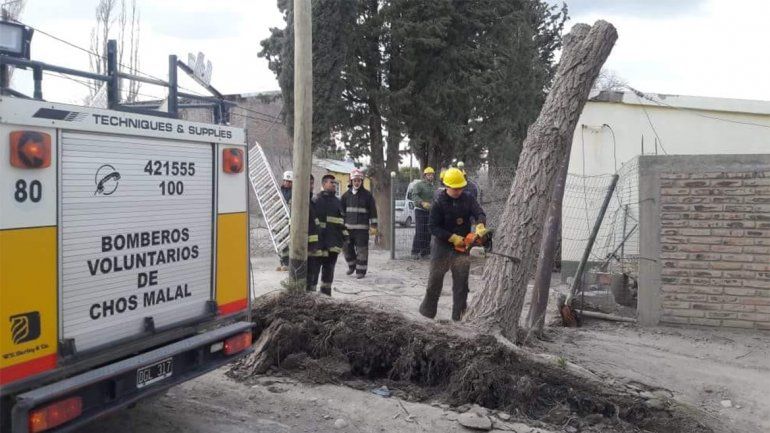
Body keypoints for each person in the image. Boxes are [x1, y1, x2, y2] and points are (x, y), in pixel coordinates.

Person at [419, 168, 487, 321]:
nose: (458, 191)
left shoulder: (468, 198)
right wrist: (452, 237)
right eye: (455, 188)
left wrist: (480, 224)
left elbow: (480, 213)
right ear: (447, 186)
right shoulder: (438, 202)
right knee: (435, 281)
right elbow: (433, 227)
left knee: (461, 284)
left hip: (462, 247)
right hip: (441, 246)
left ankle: (459, 317)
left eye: (461, 188)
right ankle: (427, 313)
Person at [308, 174, 348, 295]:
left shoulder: (338, 202)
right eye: (331, 183)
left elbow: (341, 222)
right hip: (319, 244)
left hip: (333, 244)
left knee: (329, 271)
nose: (334, 185)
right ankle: (311, 296)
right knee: (314, 271)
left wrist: (345, 237)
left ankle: (326, 295)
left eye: (335, 183)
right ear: (324, 184)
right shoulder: (316, 200)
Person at [341, 168, 378, 279]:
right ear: (351, 181)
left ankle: (360, 271)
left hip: (362, 229)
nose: (357, 182)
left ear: (361, 181)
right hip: (348, 228)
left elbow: (373, 211)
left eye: (359, 180)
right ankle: (352, 266)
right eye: (355, 180)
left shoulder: (367, 195)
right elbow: (341, 212)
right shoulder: (345, 196)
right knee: (346, 247)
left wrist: (374, 226)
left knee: (362, 249)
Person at [410, 167, 436, 259]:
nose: (430, 176)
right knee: (420, 231)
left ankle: (425, 252)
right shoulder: (419, 185)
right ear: (425, 175)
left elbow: (434, 198)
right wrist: (422, 202)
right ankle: (415, 252)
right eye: (429, 174)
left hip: (429, 211)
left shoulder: (433, 186)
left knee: (428, 231)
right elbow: (414, 195)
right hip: (420, 211)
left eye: (432, 174)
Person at [277, 171, 294, 271]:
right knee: (281, 241)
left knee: (289, 242)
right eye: (285, 181)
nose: (287, 183)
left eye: (289, 181)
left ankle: (288, 263)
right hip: (281, 220)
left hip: (291, 220)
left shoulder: (295, 191)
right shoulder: (280, 191)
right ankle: (283, 261)